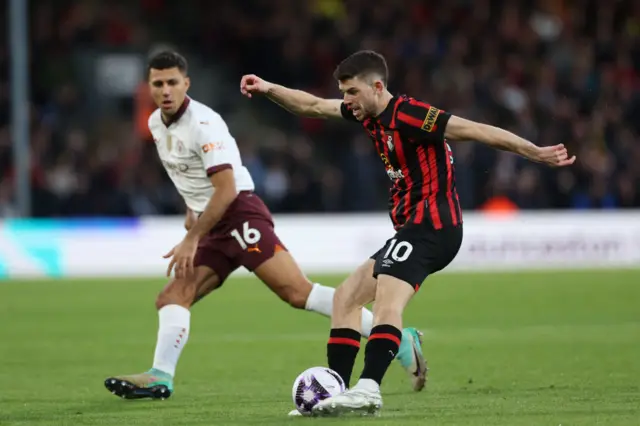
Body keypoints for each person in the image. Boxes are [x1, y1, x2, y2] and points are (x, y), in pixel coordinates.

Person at [240, 50, 576, 416]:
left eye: (352, 92)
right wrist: (268, 88)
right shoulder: (366, 114)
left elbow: (475, 130)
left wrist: (534, 152)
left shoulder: (409, 115)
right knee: (345, 298)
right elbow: (314, 106)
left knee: (387, 300)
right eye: (344, 92)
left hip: (433, 227)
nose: (346, 101)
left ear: (377, 87)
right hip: (412, 229)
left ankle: (368, 389)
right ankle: (336, 391)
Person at [103, 51, 426, 405]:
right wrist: (192, 212)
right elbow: (190, 175)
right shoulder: (154, 123)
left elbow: (226, 189)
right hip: (212, 222)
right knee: (172, 296)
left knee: (297, 293)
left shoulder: (204, 124)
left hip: (239, 215)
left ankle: (400, 342)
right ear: (148, 87)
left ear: (187, 84)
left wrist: (191, 238)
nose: (165, 90)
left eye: (172, 82)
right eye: (158, 83)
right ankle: (160, 377)